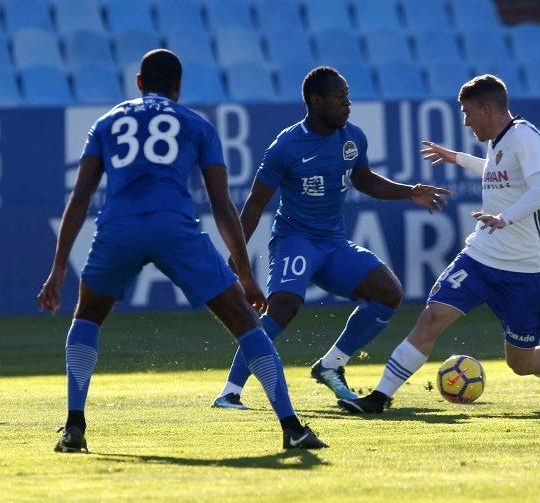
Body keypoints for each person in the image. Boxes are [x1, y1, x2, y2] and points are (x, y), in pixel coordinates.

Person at [38, 49, 326, 452]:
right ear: (178, 87)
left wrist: (57, 270)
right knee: (243, 321)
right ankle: (292, 427)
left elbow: (80, 197)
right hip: (174, 228)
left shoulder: (106, 123)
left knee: (87, 316)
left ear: (139, 83)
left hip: (118, 228)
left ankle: (74, 426)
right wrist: (244, 274)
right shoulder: (196, 125)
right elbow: (222, 205)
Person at [337, 74, 540, 415]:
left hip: (524, 268)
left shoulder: (526, 137)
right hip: (481, 256)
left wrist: (504, 218)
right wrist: (458, 158)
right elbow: (497, 171)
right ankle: (379, 397)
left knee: (521, 361)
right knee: (431, 318)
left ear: (487, 108)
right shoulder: (499, 142)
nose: (466, 121)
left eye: (468, 113)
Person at [212, 66, 452, 409]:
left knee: (388, 293)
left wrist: (409, 191)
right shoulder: (286, 146)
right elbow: (253, 206)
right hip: (295, 238)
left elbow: (365, 180)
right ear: (316, 100)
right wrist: (236, 264)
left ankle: (331, 365)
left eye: (348, 97)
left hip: (333, 244)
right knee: (284, 306)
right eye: (341, 98)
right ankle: (230, 391)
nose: (348, 104)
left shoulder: (352, 138)